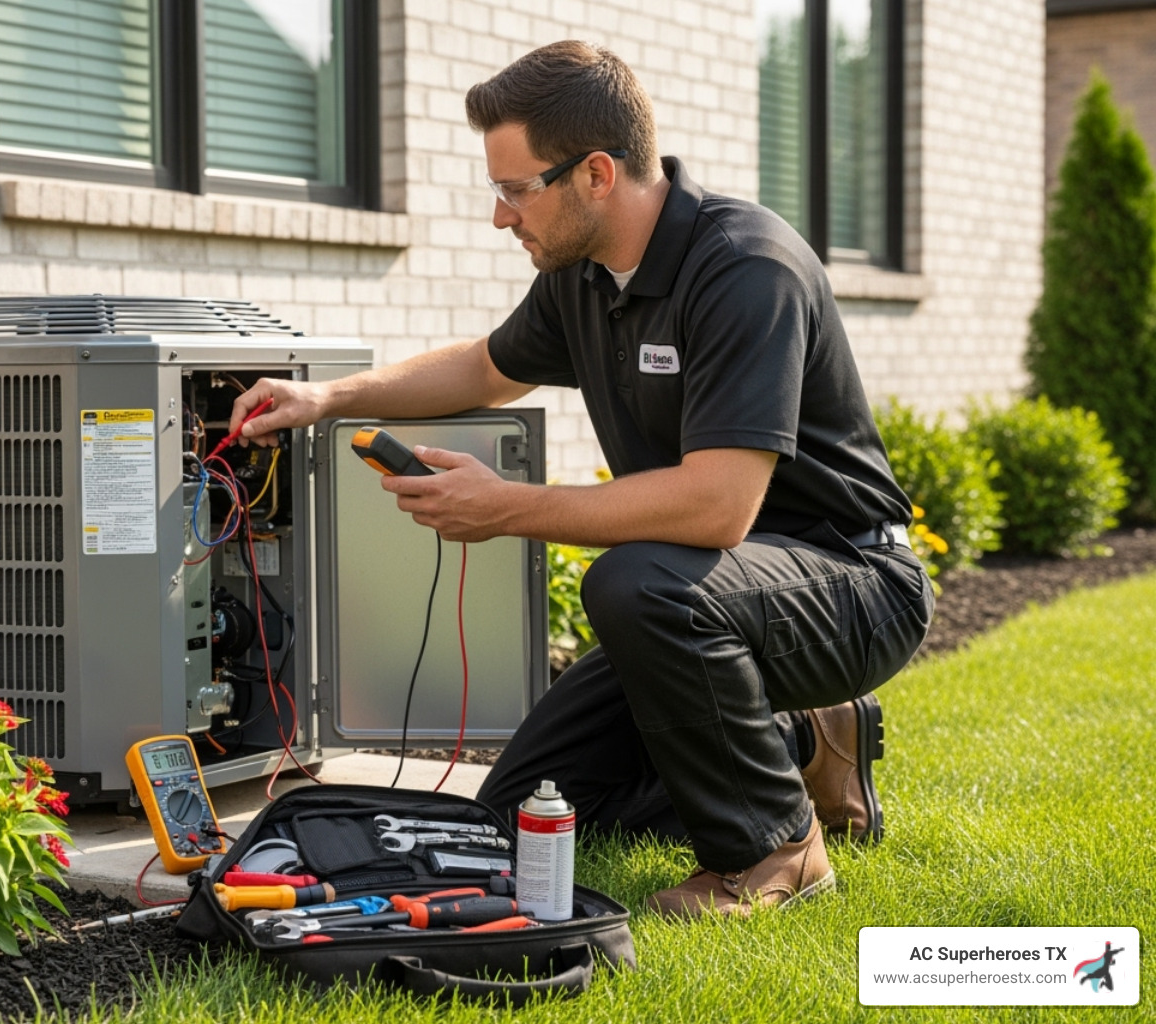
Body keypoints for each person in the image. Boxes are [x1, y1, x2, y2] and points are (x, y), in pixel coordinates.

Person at [227, 40, 933, 919]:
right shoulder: (583, 276)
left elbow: (718, 507)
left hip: (852, 580)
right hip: (715, 590)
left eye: (516, 190)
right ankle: (797, 738)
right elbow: (486, 369)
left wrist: (509, 507)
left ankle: (777, 850)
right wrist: (328, 396)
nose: (500, 216)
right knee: (518, 815)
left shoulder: (745, 269)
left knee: (635, 582)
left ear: (597, 173)